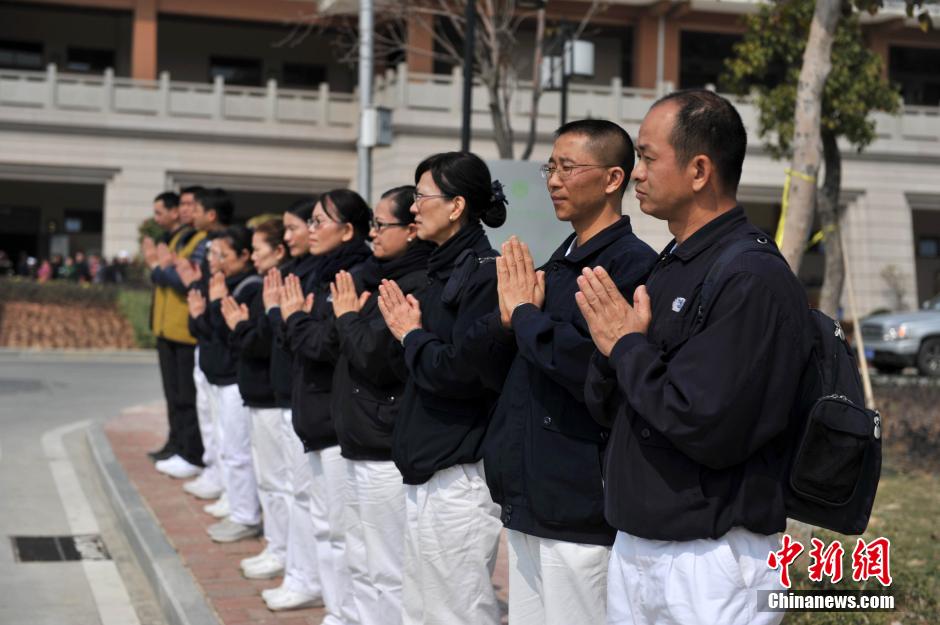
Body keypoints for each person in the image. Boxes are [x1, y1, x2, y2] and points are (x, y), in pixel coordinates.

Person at [575, 90, 810, 625]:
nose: (636, 173)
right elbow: (613, 400)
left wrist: (627, 346)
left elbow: (705, 420)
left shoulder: (751, 277)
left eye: (649, 157)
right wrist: (614, 349)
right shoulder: (673, 263)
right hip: (640, 543)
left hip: (712, 559)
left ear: (699, 169)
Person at [470, 120, 657, 625]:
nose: (553, 179)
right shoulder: (561, 261)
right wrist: (508, 319)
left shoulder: (630, 266)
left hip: (577, 498)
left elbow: (597, 368)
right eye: (550, 167)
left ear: (613, 178)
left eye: (567, 167)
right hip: (530, 489)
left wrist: (526, 318)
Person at [377, 152, 505, 625]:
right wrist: (403, 333)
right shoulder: (439, 271)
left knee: (458, 612)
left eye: (420, 196)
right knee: (421, 609)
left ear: (456, 206)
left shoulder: (485, 274)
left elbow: (462, 372)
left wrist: (410, 334)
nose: (413, 208)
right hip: (427, 465)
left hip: (461, 475)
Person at [331, 185, 433, 625]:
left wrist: (347, 318)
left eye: (379, 224)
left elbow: (377, 359)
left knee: (388, 565)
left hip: (383, 441)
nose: (372, 233)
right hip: (358, 433)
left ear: (411, 230)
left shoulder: (414, 282)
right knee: (358, 552)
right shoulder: (375, 276)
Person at [281, 189, 372, 625]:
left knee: (342, 531)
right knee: (324, 522)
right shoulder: (321, 273)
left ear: (348, 230)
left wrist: (294, 319)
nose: (310, 230)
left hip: (338, 422)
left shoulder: (354, 275)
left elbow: (327, 344)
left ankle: (345, 614)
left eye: (319, 222)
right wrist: (295, 320)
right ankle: (335, 610)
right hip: (315, 415)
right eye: (311, 221)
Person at [258, 198, 327, 612]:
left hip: (312, 403)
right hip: (293, 395)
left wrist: (282, 316)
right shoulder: (295, 274)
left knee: (309, 502)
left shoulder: (324, 275)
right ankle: (290, 563)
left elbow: (306, 340)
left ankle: (306, 576)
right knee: (288, 488)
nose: (288, 238)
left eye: (296, 227)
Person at [221, 218, 290, 577]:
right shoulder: (266, 284)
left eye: (259, 249)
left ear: (278, 251)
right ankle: (276, 546)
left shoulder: (278, 286)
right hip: (261, 395)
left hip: (271, 396)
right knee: (269, 479)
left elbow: (262, 341)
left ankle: (282, 550)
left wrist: (240, 325)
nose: (254, 256)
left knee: (280, 482)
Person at [188, 225, 263, 543]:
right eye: (213, 253)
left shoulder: (247, 287)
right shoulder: (222, 284)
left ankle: (245, 514)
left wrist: (217, 304)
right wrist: (201, 312)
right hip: (216, 375)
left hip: (234, 380)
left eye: (222, 254)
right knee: (223, 442)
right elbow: (206, 329)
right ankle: (234, 502)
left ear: (244, 256)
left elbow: (229, 334)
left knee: (237, 450)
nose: (214, 259)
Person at [146, 191, 208, 477]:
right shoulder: (178, 239)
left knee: (188, 397)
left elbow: (188, 284)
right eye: (182, 205)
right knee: (174, 396)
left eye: (189, 205)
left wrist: (159, 268)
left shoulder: (201, 242)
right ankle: (177, 444)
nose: (186, 211)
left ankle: (189, 451)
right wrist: (160, 267)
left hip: (185, 331)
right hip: (167, 329)